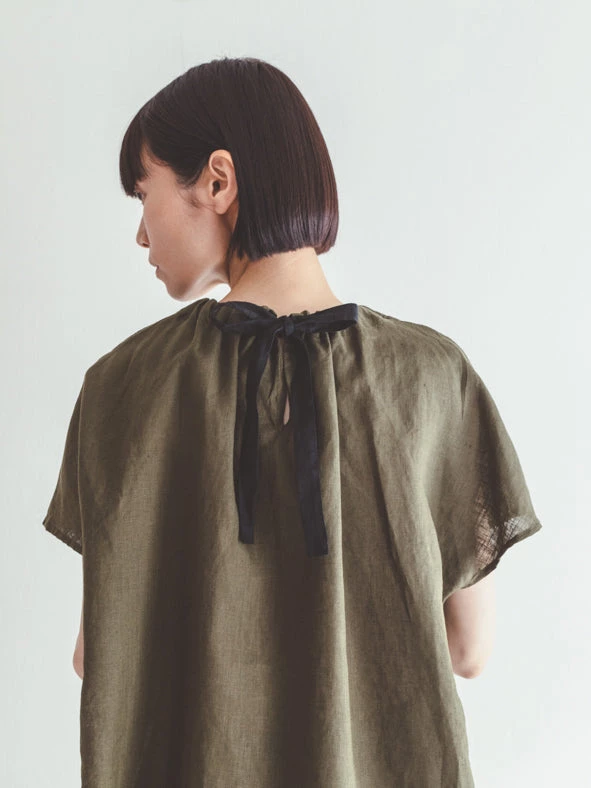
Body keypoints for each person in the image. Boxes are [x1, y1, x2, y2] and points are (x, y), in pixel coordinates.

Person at [42, 56, 543, 787]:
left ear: (218, 181)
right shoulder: (433, 380)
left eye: (144, 195)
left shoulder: (122, 387)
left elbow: (96, 656)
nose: (141, 236)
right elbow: (468, 651)